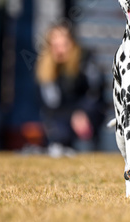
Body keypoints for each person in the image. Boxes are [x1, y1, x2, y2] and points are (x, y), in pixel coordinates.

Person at [35, 22, 106, 157]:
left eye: (64, 45)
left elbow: (95, 92)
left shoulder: (86, 61)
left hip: (88, 116)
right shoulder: (46, 70)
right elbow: (51, 104)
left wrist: (82, 112)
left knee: (85, 140)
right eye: (55, 46)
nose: (60, 50)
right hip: (62, 119)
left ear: (72, 44)